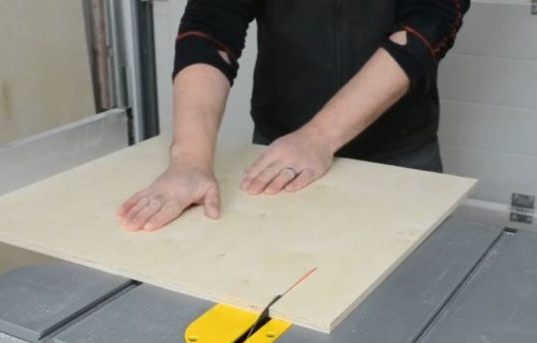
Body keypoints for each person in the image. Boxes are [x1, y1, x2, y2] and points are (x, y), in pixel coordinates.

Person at [118, 0, 470, 231]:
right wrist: (190, 159)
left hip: (398, 157)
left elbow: (427, 25)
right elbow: (211, 25)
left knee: (399, 305)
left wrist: (319, 135)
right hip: (280, 159)